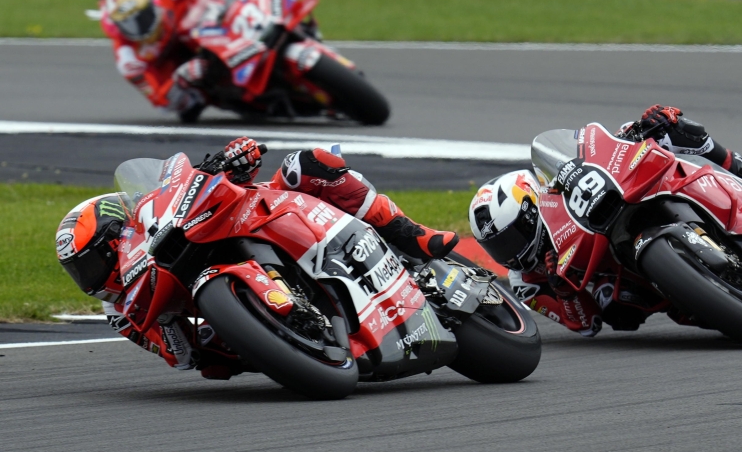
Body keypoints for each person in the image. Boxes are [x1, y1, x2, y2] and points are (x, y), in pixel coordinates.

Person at [56, 138, 458, 379]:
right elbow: (180, 357)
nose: (91, 278)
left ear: (121, 234)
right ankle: (306, 339)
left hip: (271, 211)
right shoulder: (125, 314)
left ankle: (413, 235)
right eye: (80, 272)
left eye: (91, 262)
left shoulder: (158, 214)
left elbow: (205, 181)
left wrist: (235, 159)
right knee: (215, 362)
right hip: (248, 324)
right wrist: (208, 340)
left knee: (310, 163)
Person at [468, 104, 742, 338]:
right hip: (636, 286)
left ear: (533, 209)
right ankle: (715, 292)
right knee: (613, 303)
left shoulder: (558, 195)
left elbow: (596, 151)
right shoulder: (527, 284)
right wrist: (564, 291)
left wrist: (640, 128)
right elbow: (584, 326)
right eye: (498, 247)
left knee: (675, 131)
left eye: (512, 237)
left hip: (630, 206)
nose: (510, 252)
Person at [98, 0, 276, 121]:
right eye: (129, 24)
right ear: (117, 27)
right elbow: (161, 101)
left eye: (143, 15)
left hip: (204, 28)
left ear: (150, 1)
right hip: (184, 69)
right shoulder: (128, 60)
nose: (140, 26)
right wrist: (181, 78)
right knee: (188, 105)